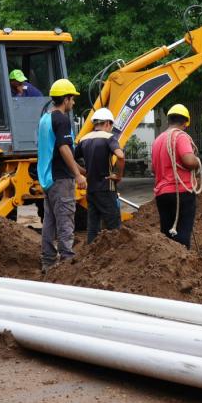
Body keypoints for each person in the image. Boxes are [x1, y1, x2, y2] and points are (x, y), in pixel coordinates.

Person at [37, 79, 87, 272]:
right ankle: (67, 263)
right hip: (61, 179)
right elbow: (63, 147)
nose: (73, 103)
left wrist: (81, 170)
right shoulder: (62, 119)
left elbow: (53, 149)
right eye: (72, 99)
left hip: (47, 178)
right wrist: (78, 174)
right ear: (66, 99)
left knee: (49, 222)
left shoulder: (45, 119)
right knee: (66, 219)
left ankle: (48, 262)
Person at [151, 104, 202, 249]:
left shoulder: (158, 140)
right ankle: (183, 265)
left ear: (168, 120)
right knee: (182, 234)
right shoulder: (180, 136)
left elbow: (153, 168)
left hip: (162, 195)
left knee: (167, 235)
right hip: (181, 193)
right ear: (186, 123)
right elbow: (189, 161)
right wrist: (197, 162)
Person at [75, 108, 125, 244]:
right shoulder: (109, 138)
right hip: (106, 188)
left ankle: (91, 255)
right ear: (107, 123)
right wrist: (118, 175)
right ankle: (116, 255)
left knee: (93, 227)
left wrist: (84, 172)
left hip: (91, 190)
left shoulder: (84, 139)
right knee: (114, 225)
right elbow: (120, 156)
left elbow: (71, 160)